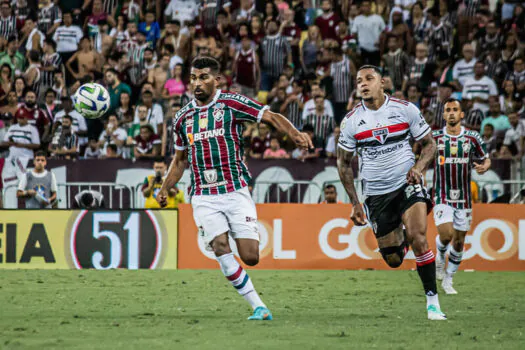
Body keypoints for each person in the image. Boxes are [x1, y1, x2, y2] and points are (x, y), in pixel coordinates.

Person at [157, 57, 311, 321]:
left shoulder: (231, 103)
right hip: (203, 194)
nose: (197, 82)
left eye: (203, 77)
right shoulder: (182, 118)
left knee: (250, 256)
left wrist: (294, 134)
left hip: (235, 189)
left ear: (216, 80)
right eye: (193, 78)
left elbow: (269, 116)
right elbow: (180, 159)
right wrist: (164, 188)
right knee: (219, 245)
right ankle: (258, 307)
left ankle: (254, 294)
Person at [337, 65, 445, 320]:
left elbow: (430, 145)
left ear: (382, 82)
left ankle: (433, 302)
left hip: (407, 183)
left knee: (419, 238)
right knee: (394, 260)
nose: (362, 84)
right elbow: (343, 162)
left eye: (369, 79)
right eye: (358, 80)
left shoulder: (405, 109)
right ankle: (402, 236)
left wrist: (419, 167)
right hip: (376, 194)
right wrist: (355, 203)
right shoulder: (351, 121)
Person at [433, 98, 491, 294]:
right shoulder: (435, 138)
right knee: (446, 235)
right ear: (443, 115)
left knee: (458, 242)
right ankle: (440, 256)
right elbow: (421, 154)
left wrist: (484, 166)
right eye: (447, 110)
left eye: (454, 110)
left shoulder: (472, 138)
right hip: (442, 194)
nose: (451, 113)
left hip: (464, 199)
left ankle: (448, 279)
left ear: (461, 114)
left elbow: (486, 158)